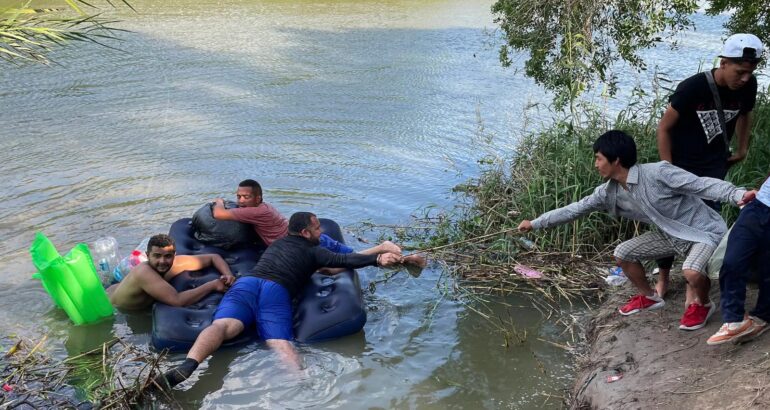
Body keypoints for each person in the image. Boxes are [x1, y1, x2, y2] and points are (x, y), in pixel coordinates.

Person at [517, 130, 752, 330]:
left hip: (702, 232)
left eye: (598, 159)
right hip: (669, 235)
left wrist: (738, 195)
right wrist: (536, 223)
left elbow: (702, 185)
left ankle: (703, 304)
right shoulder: (608, 192)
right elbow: (575, 209)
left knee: (691, 272)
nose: (595, 164)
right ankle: (650, 297)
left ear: (616, 160)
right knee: (622, 253)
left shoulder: (658, 173)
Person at [154, 212, 403, 389]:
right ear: (305, 232)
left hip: (247, 283)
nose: (320, 231)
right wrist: (378, 258)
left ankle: (189, 364)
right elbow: (347, 262)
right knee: (279, 342)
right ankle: (302, 387)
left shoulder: (279, 243)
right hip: (276, 291)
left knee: (221, 327)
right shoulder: (315, 251)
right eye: (317, 228)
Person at [654, 33, 764, 299]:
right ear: (723, 62)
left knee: (706, 220)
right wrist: (667, 169)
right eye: (740, 71)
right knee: (669, 220)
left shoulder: (748, 87)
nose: (745, 78)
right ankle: (664, 279)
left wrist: (742, 148)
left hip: (715, 163)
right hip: (681, 164)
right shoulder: (693, 88)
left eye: (750, 72)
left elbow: (745, 115)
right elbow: (664, 128)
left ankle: (696, 277)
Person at [209, 179, 426, 268]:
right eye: (238, 197)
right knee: (350, 255)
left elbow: (219, 214)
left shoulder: (253, 212)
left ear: (258, 198)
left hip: (302, 245)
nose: (240, 201)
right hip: (313, 236)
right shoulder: (263, 208)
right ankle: (402, 257)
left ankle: (384, 250)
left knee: (339, 266)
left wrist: (219, 201)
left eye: (245, 197)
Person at [707, 175, 770, 345]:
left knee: (768, 270)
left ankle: (762, 317)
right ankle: (735, 320)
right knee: (733, 261)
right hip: (758, 206)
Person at [107, 234, 235, 310]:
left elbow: (213, 258)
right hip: (111, 306)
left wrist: (227, 274)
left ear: (174, 255)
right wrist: (212, 285)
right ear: (147, 255)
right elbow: (177, 301)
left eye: (168, 256)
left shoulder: (175, 263)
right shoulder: (144, 273)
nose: (162, 261)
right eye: (157, 256)